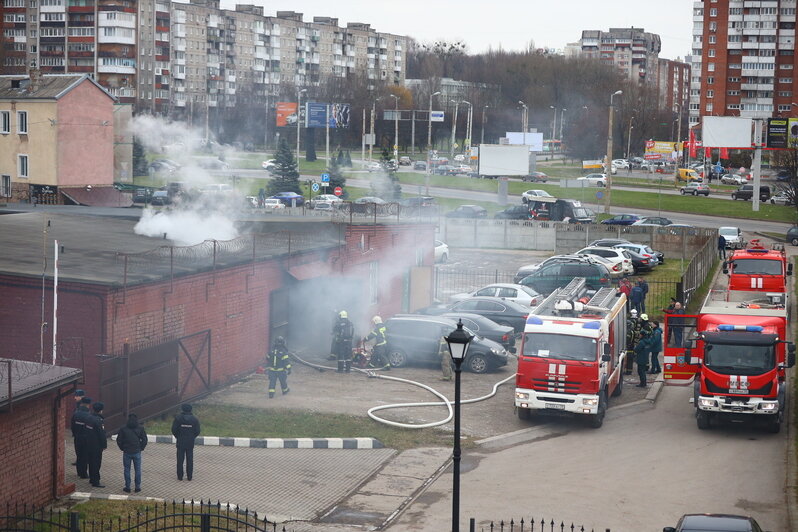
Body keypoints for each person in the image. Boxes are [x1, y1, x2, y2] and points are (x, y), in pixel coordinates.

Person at [116, 413, 147, 493]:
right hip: (137, 451)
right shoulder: (140, 428)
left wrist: (122, 448)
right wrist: (141, 448)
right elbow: (144, 440)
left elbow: (119, 440)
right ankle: (137, 487)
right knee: (138, 470)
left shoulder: (123, 428)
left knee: (127, 469)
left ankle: (128, 487)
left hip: (127, 452)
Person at [172, 404, 201, 481]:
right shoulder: (194, 419)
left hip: (180, 441)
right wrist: (192, 437)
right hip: (190, 442)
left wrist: (178, 436)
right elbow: (197, 431)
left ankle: (180, 476)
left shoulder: (178, 418)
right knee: (190, 459)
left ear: (182, 409)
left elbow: (174, 430)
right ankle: (189, 477)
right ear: (191, 409)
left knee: (180, 459)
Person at [86, 401, 107, 488]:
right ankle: (96, 481)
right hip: (96, 445)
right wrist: (104, 445)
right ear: (101, 410)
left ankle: (91, 478)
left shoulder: (89, 418)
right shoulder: (99, 421)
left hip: (88, 443)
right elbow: (101, 434)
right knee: (96, 463)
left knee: (91, 462)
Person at [71, 395, 92, 479]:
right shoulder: (88, 415)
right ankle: (84, 474)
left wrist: (75, 434)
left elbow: (72, 426)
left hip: (77, 437)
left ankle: (79, 472)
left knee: (79, 455)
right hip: (86, 438)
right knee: (84, 456)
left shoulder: (75, 413)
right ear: (88, 405)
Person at [625, 309, 639, 375]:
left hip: (630, 348)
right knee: (630, 360)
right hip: (632, 346)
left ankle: (628, 371)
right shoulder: (632, 330)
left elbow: (628, 340)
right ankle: (629, 370)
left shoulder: (629, 332)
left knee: (629, 360)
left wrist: (627, 346)